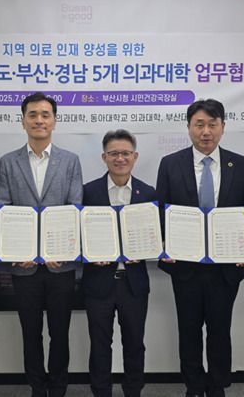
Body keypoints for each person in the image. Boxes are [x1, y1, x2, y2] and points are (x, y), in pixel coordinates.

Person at [155, 99, 244, 397]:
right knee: (188, 330)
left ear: (223, 127)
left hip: (225, 267)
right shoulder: (170, 164)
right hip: (185, 266)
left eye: (212, 124)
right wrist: (163, 244)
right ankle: (193, 385)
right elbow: (161, 211)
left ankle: (217, 385)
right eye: (199, 124)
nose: (206, 131)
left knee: (220, 329)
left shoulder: (242, 164)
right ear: (189, 127)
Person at [0, 92, 83, 397]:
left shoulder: (70, 161)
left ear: (54, 121)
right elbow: (4, 208)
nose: (39, 120)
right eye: (32, 115)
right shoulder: (8, 162)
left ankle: (58, 387)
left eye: (45, 115)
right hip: (24, 267)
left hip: (61, 266)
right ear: (23, 121)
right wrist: (18, 252)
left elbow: (75, 206)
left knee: (60, 332)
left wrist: (63, 251)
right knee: (30, 332)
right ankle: (36, 386)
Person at [81, 129, 156, 397]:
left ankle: (133, 391)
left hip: (134, 283)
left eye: (125, 153)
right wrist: (89, 254)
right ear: (104, 157)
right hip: (98, 282)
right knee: (100, 344)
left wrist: (149, 249)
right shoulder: (88, 192)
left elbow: (156, 236)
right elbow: (78, 236)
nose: (120, 158)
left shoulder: (148, 193)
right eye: (114, 153)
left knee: (134, 343)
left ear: (135, 156)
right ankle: (101, 391)